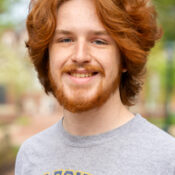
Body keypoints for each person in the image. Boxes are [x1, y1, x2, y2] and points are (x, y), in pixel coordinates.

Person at [15, 0, 175, 174]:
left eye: (98, 41)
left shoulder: (166, 160)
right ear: (48, 58)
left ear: (125, 58)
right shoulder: (30, 155)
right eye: (66, 39)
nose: (80, 56)